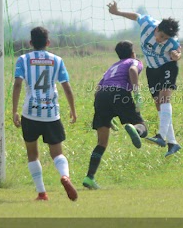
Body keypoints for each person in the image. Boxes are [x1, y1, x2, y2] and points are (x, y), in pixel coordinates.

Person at [107, 1, 182, 157]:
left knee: (164, 99)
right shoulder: (147, 24)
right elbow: (136, 16)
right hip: (152, 70)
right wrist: (117, 12)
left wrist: (176, 55)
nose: (162, 40)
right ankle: (173, 143)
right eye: (161, 36)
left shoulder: (171, 41)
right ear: (156, 29)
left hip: (167, 67)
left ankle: (161, 136)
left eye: (166, 38)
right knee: (158, 105)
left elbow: (178, 51)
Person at [12, 27, 78, 201]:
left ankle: (42, 193)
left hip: (30, 113)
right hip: (51, 114)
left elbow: (17, 85)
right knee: (57, 153)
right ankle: (65, 176)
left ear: (31, 43)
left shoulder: (23, 59)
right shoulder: (57, 60)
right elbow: (66, 87)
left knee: (32, 154)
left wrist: (14, 111)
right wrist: (73, 109)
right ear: (48, 43)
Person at [83, 41, 148, 190]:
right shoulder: (134, 61)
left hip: (101, 97)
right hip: (119, 93)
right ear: (132, 53)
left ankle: (89, 177)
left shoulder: (112, 67)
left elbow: (99, 87)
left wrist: (107, 114)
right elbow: (132, 70)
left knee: (101, 143)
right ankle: (135, 130)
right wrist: (137, 94)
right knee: (143, 127)